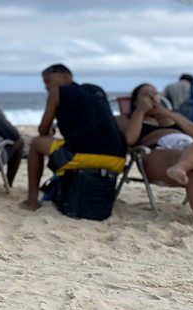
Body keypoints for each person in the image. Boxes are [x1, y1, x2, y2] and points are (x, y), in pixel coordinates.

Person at [118, 83, 193, 230]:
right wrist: (140, 111)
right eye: (146, 94)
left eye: (154, 93)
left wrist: (168, 113)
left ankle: (182, 166)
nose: (152, 97)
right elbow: (129, 139)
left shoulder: (171, 116)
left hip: (192, 151)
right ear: (134, 101)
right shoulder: (127, 118)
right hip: (159, 153)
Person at [19, 63, 126, 210]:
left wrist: (49, 131)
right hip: (117, 159)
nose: (47, 87)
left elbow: (42, 130)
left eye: (48, 81)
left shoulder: (57, 92)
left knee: (36, 143)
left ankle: (32, 201)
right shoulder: (97, 90)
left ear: (66, 76)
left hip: (82, 156)